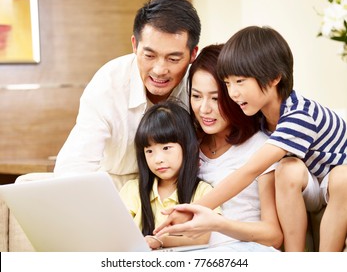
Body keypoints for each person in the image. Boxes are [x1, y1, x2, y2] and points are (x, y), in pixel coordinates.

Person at [155, 26, 347, 252]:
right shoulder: (259, 115)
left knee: (340, 176)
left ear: (275, 77)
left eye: (240, 82)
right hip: (311, 182)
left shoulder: (299, 117)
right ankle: (295, 260)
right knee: (289, 168)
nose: (233, 94)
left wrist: (192, 210)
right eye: (228, 84)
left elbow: (250, 170)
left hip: (335, 179)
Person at [54, 0, 201, 190]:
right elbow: (75, 165)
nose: (159, 70)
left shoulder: (201, 84)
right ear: (134, 45)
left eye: (173, 59)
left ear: (193, 54)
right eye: (149, 55)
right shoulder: (108, 84)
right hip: (115, 185)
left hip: (180, 186)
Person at [185, 44, 282, 251]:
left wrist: (219, 224)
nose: (204, 109)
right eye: (196, 96)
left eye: (215, 98)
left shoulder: (260, 147)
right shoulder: (187, 146)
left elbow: (274, 235)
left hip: (245, 252)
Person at [119, 100, 213, 249]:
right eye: (149, 151)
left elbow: (203, 238)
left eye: (166, 148)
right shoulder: (132, 190)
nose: (158, 159)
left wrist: (160, 241)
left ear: (188, 146)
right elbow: (116, 232)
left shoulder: (203, 192)